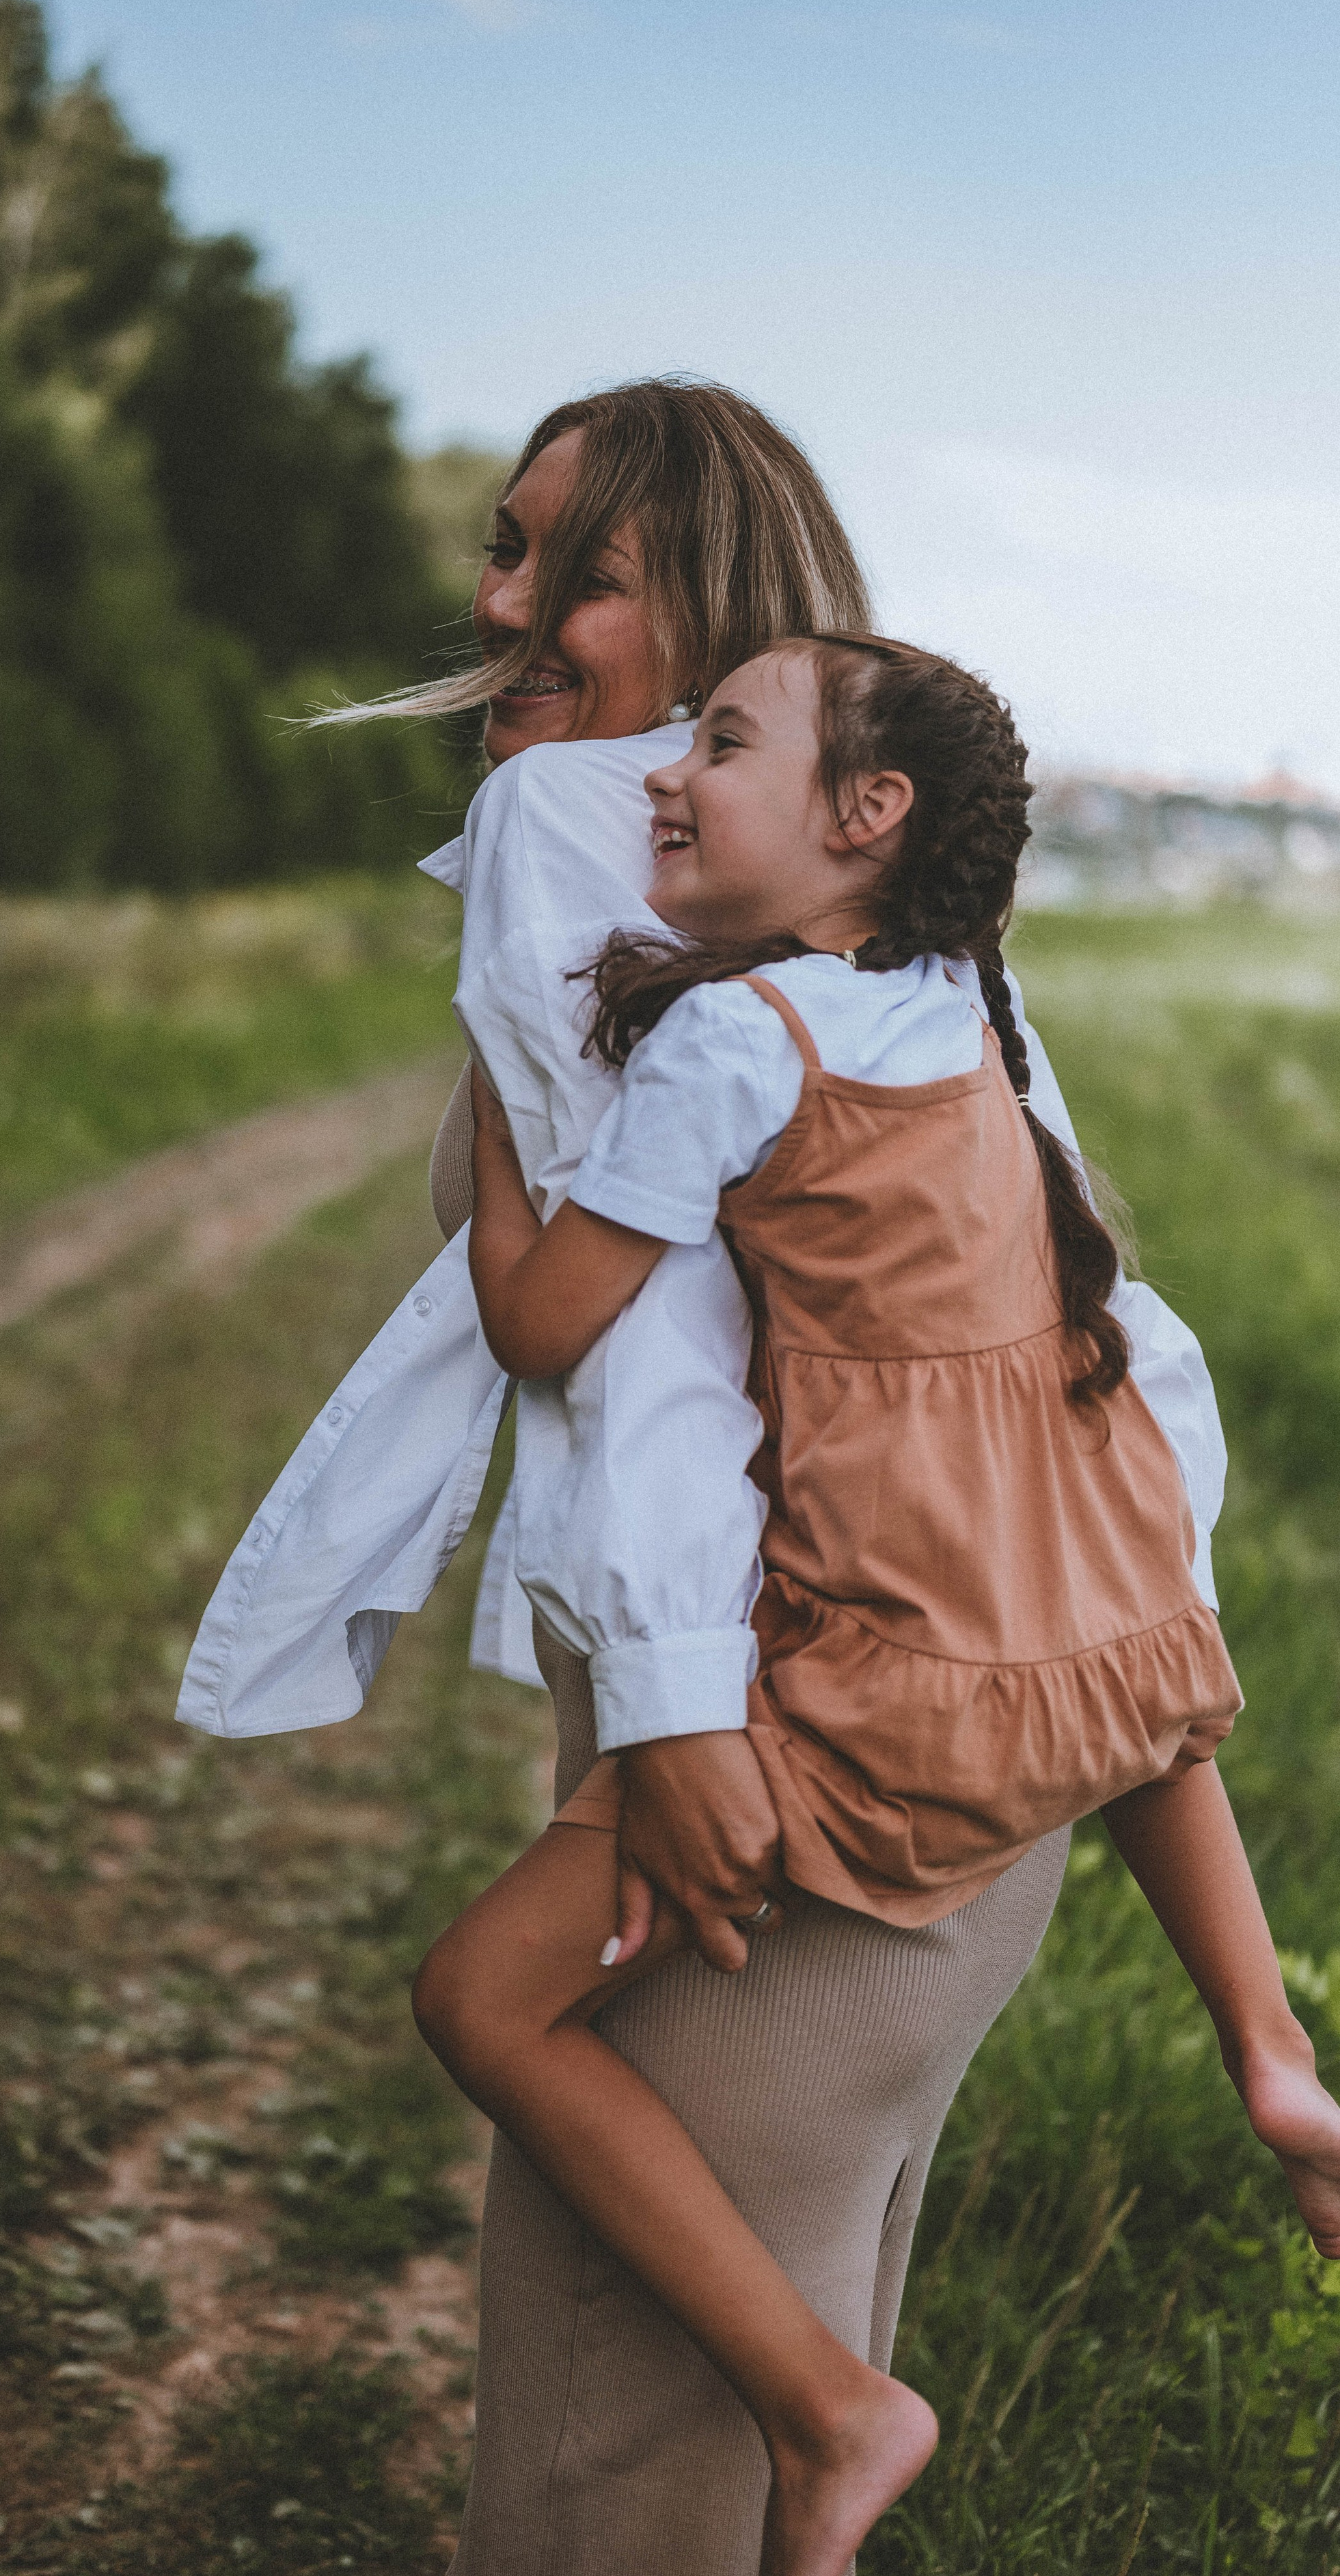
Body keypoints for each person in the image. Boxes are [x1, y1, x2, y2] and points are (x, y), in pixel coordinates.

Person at [175, 383, 1250, 2571]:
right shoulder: (893, 947)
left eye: (580, 570)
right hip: (973, 1767)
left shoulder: (589, 820)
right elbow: (1095, 1338)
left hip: (772, 1757)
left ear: (727, 623)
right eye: (504, 546)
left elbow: (645, 1352)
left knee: (622, 2466)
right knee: (758, 2457)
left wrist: (674, 1709)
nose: (505, 605)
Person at [410, 630, 1340, 2572]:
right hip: (1072, 1602)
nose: (668, 777)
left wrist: (508, 1104)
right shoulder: (964, 1009)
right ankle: (1272, 2053)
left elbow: (547, 1322)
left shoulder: (741, 1042)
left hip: (886, 1687)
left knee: (482, 2000)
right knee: (1130, 1703)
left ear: (866, 811)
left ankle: (829, 2408)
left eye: (722, 743)